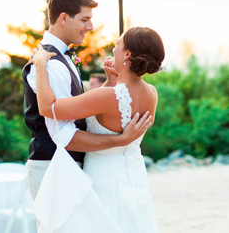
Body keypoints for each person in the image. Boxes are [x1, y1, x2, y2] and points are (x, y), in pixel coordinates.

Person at [22, 0, 152, 209]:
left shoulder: (59, 58)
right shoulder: (50, 63)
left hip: (67, 169)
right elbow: (62, 132)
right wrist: (120, 140)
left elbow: (75, 108)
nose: (90, 27)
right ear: (64, 18)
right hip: (53, 168)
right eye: (85, 19)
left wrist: (107, 86)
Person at [30, 26, 165, 233]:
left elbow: (49, 109)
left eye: (118, 45)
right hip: (135, 179)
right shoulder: (151, 93)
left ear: (127, 54)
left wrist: (40, 65)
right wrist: (111, 82)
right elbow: (111, 114)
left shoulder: (107, 97)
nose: (113, 49)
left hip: (104, 180)